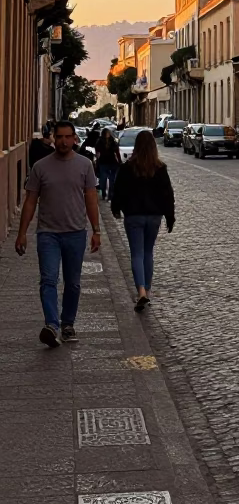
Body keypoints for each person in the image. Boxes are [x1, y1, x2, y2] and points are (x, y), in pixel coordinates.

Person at [14, 120, 100, 347]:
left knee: (73, 283)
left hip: (75, 233)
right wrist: (22, 233)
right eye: (59, 137)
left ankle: (68, 324)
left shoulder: (85, 165)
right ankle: (51, 325)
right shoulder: (40, 167)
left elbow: (91, 198)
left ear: (74, 139)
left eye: (67, 137)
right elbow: (31, 201)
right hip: (47, 234)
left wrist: (96, 230)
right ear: (53, 138)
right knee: (48, 280)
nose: (63, 141)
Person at [111, 129, 175, 313]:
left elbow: (119, 190)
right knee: (148, 253)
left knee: (137, 254)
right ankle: (146, 290)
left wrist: (117, 208)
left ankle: (140, 291)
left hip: (134, 216)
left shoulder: (126, 168)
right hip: (154, 216)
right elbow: (167, 194)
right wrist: (170, 216)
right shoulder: (160, 169)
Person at [94, 129, 121, 202]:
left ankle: (110, 196)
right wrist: (97, 162)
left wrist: (119, 161)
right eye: (106, 133)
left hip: (112, 163)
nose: (107, 134)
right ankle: (103, 194)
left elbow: (117, 152)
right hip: (103, 163)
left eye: (108, 133)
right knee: (103, 180)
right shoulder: (100, 142)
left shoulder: (112, 141)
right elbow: (97, 153)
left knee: (112, 180)